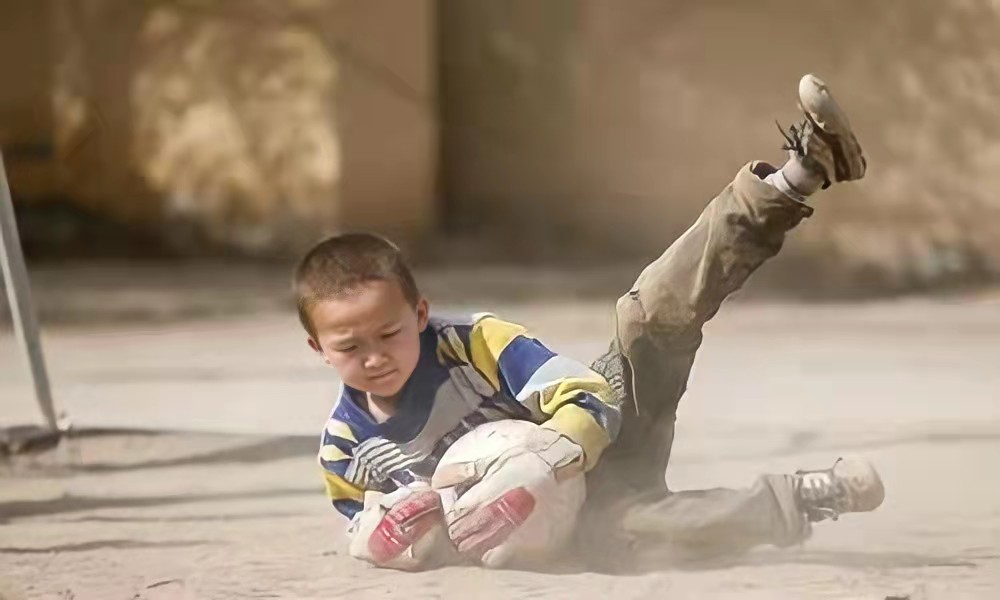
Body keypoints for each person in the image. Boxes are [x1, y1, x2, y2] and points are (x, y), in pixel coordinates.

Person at [296, 73, 884, 571]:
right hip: (569, 529)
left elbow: (588, 395)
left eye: (390, 333)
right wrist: (408, 537)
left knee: (646, 314)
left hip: (602, 449)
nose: (374, 356)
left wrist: (551, 456)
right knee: (644, 536)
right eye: (350, 346)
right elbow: (373, 530)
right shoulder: (345, 450)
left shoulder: (471, 343)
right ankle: (811, 495)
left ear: (419, 314)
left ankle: (799, 175)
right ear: (318, 348)